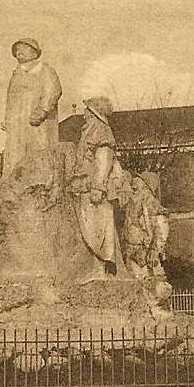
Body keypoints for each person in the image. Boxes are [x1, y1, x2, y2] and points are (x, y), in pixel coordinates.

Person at [69, 96, 131, 277]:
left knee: (99, 229)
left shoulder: (101, 133)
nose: (84, 115)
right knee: (89, 229)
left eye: (87, 111)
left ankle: (100, 269)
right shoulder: (89, 132)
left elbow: (104, 161)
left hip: (95, 190)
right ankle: (94, 268)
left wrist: (98, 187)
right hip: (85, 187)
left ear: (95, 113)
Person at [2, 38, 62, 174]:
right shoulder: (16, 74)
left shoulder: (45, 70)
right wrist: (7, 119)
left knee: (38, 153)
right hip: (17, 124)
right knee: (15, 156)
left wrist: (42, 110)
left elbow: (53, 89)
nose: (19, 52)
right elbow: (10, 99)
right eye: (17, 50)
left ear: (35, 53)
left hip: (37, 122)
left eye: (24, 48)